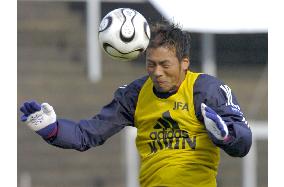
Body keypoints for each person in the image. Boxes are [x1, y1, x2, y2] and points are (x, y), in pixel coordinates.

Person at [20, 21, 252, 187]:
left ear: (184, 63)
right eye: (151, 64)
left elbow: (243, 143)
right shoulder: (134, 94)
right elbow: (87, 134)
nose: (157, 72)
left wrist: (227, 137)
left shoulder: (206, 90)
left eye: (165, 64)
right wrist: (51, 128)